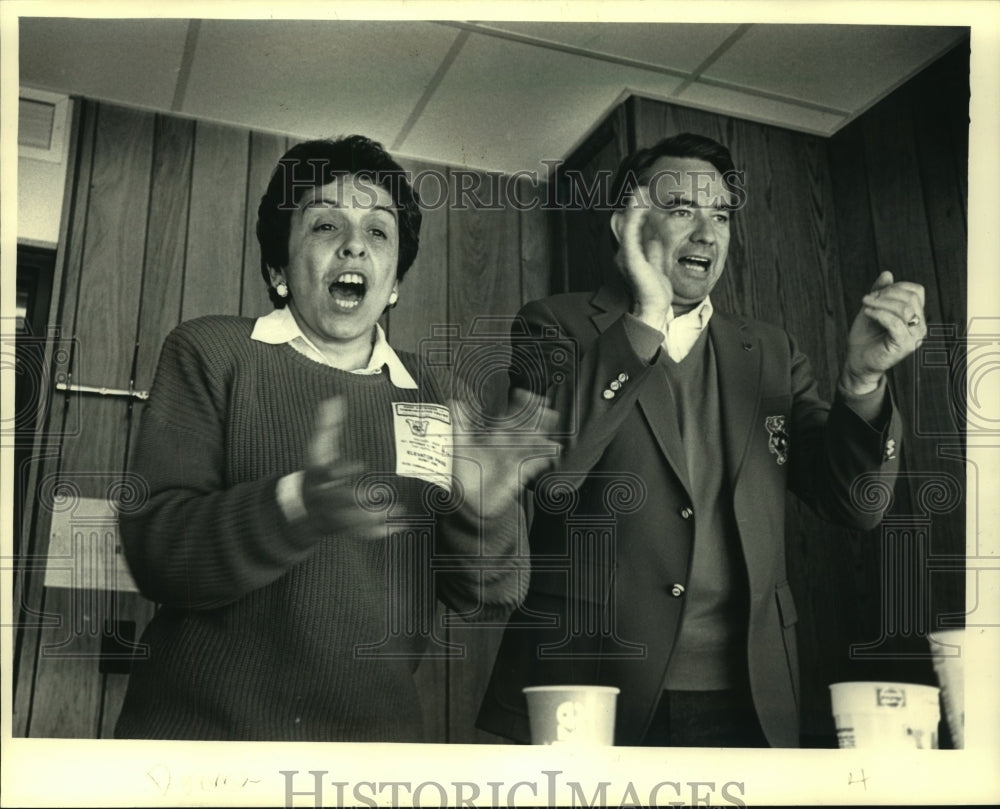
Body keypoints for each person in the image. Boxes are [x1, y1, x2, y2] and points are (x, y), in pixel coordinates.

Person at [477, 132, 927, 748]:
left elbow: (857, 505)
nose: (707, 232)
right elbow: (550, 478)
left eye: (720, 214)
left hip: (751, 692)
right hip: (589, 682)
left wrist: (864, 380)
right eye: (682, 209)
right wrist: (644, 316)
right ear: (626, 225)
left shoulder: (770, 351)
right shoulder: (552, 323)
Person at [115, 135, 553, 742]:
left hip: (371, 756)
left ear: (395, 280)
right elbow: (157, 557)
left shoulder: (437, 394)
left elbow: (490, 594)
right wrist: (297, 505)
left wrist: (487, 511)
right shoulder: (212, 351)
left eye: (378, 232)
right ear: (278, 268)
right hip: (201, 744)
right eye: (325, 224)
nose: (354, 244)